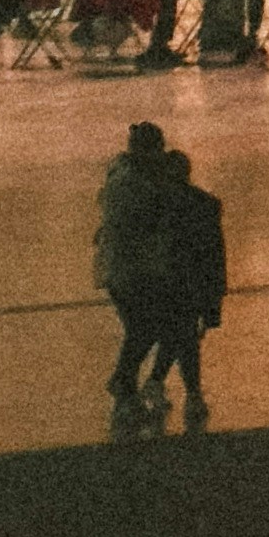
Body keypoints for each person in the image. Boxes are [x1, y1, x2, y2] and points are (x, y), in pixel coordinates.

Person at [95, 121, 181, 432]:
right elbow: (142, 222)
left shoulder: (123, 175)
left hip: (127, 267)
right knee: (144, 327)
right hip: (128, 269)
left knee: (141, 328)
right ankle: (123, 381)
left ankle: (125, 385)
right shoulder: (131, 183)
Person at [150, 143, 226, 428]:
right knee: (184, 338)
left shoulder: (158, 207)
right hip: (194, 284)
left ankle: (164, 385)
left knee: (178, 337)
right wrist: (214, 298)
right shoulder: (206, 204)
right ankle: (183, 391)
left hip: (167, 283)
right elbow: (215, 253)